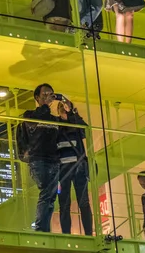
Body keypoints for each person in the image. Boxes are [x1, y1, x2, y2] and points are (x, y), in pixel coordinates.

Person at [18, 83, 60, 232]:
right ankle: (41, 228)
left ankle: (44, 227)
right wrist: (24, 154)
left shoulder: (55, 120)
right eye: (45, 95)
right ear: (37, 97)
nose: (48, 97)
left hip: (54, 161)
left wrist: (70, 112)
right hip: (38, 160)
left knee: (51, 197)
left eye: (51, 94)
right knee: (46, 192)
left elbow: (71, 133)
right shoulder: (29, 115)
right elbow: (25, 133)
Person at [56, 100, 93, 236]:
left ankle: (89, 233)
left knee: (83, 202)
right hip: (62, 170)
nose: (62, 109)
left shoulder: (75, 122)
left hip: (79, 168)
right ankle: (66, 234)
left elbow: (86, 130)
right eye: (60, 107)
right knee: (64, 204)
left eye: (65, 106)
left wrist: (72, 115)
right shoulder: (56, 124)